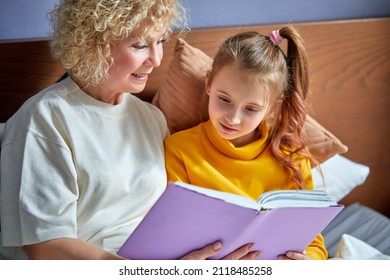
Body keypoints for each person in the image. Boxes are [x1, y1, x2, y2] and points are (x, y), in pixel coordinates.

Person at [0, 0, 257, 260]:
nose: (156, 60)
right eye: (140, 45)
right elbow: (47, 248)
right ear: (93, 44)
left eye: (161, 41)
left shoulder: (151, 118)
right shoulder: (45, 118)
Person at [164, 27, 328, 260]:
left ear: (272, 107)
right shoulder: (180, 150)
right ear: (209, 83)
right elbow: (170, 236)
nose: (233, 118)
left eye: (251, 109)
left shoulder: (293, 159)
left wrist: (308, 262)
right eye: (224, 99)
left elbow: (314, 243)